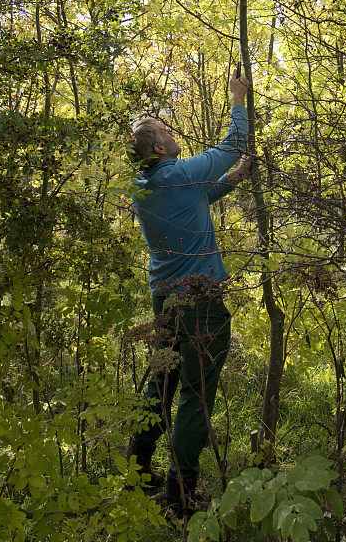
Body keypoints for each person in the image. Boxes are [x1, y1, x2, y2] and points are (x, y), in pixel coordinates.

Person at [126, 68, 251, 516]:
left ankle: (137, 467)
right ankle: (181, 495)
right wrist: (238, 100)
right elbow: (230, 146)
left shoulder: (144, 187)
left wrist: (231, 181)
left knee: (162, 383)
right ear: (159, 148)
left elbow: (193, 200)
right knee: (195, 396)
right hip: (200, 302)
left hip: (166, 301)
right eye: (165, 130)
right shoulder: (177, 172)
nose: (172, 132)